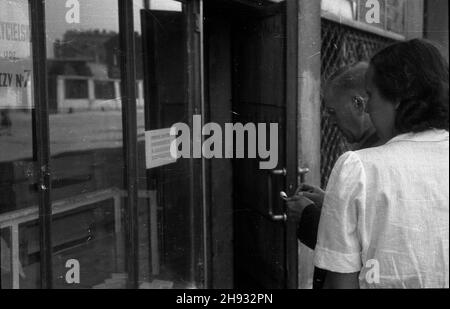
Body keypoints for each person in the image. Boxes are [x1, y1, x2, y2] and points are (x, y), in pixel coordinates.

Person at [295, 39, 449, 289]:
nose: (368, 108)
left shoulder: (359, 167)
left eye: (370, 94)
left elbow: (341, 284)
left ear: (397, 98)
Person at [288, 62, 380, 289]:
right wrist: (330, 200)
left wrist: (307, 214)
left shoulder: (364, 160)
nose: (330, 120)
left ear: (358, 104)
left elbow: (357, 248)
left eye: (332, 111)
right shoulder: (374, 147)